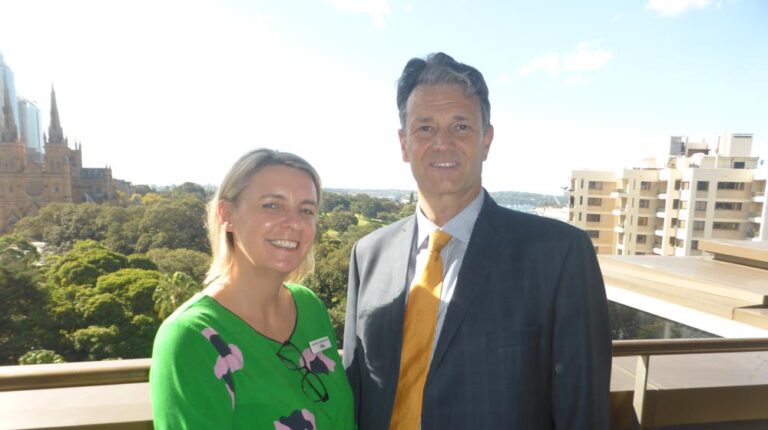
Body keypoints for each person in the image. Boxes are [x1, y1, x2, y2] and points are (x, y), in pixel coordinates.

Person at [343, 53, 612, 429]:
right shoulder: (368, 255)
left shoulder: (559, 255)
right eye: (425, 128)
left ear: (486, 140)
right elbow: (354, 394)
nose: (442, 143)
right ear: (404, 143)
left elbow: (583, 409)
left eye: (461, 127)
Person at [151, 149, 355, 429]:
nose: (294, 223)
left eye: (306, 210)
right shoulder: (191, 337)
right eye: (272, 205)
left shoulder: (309, 307)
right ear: (227, 214)